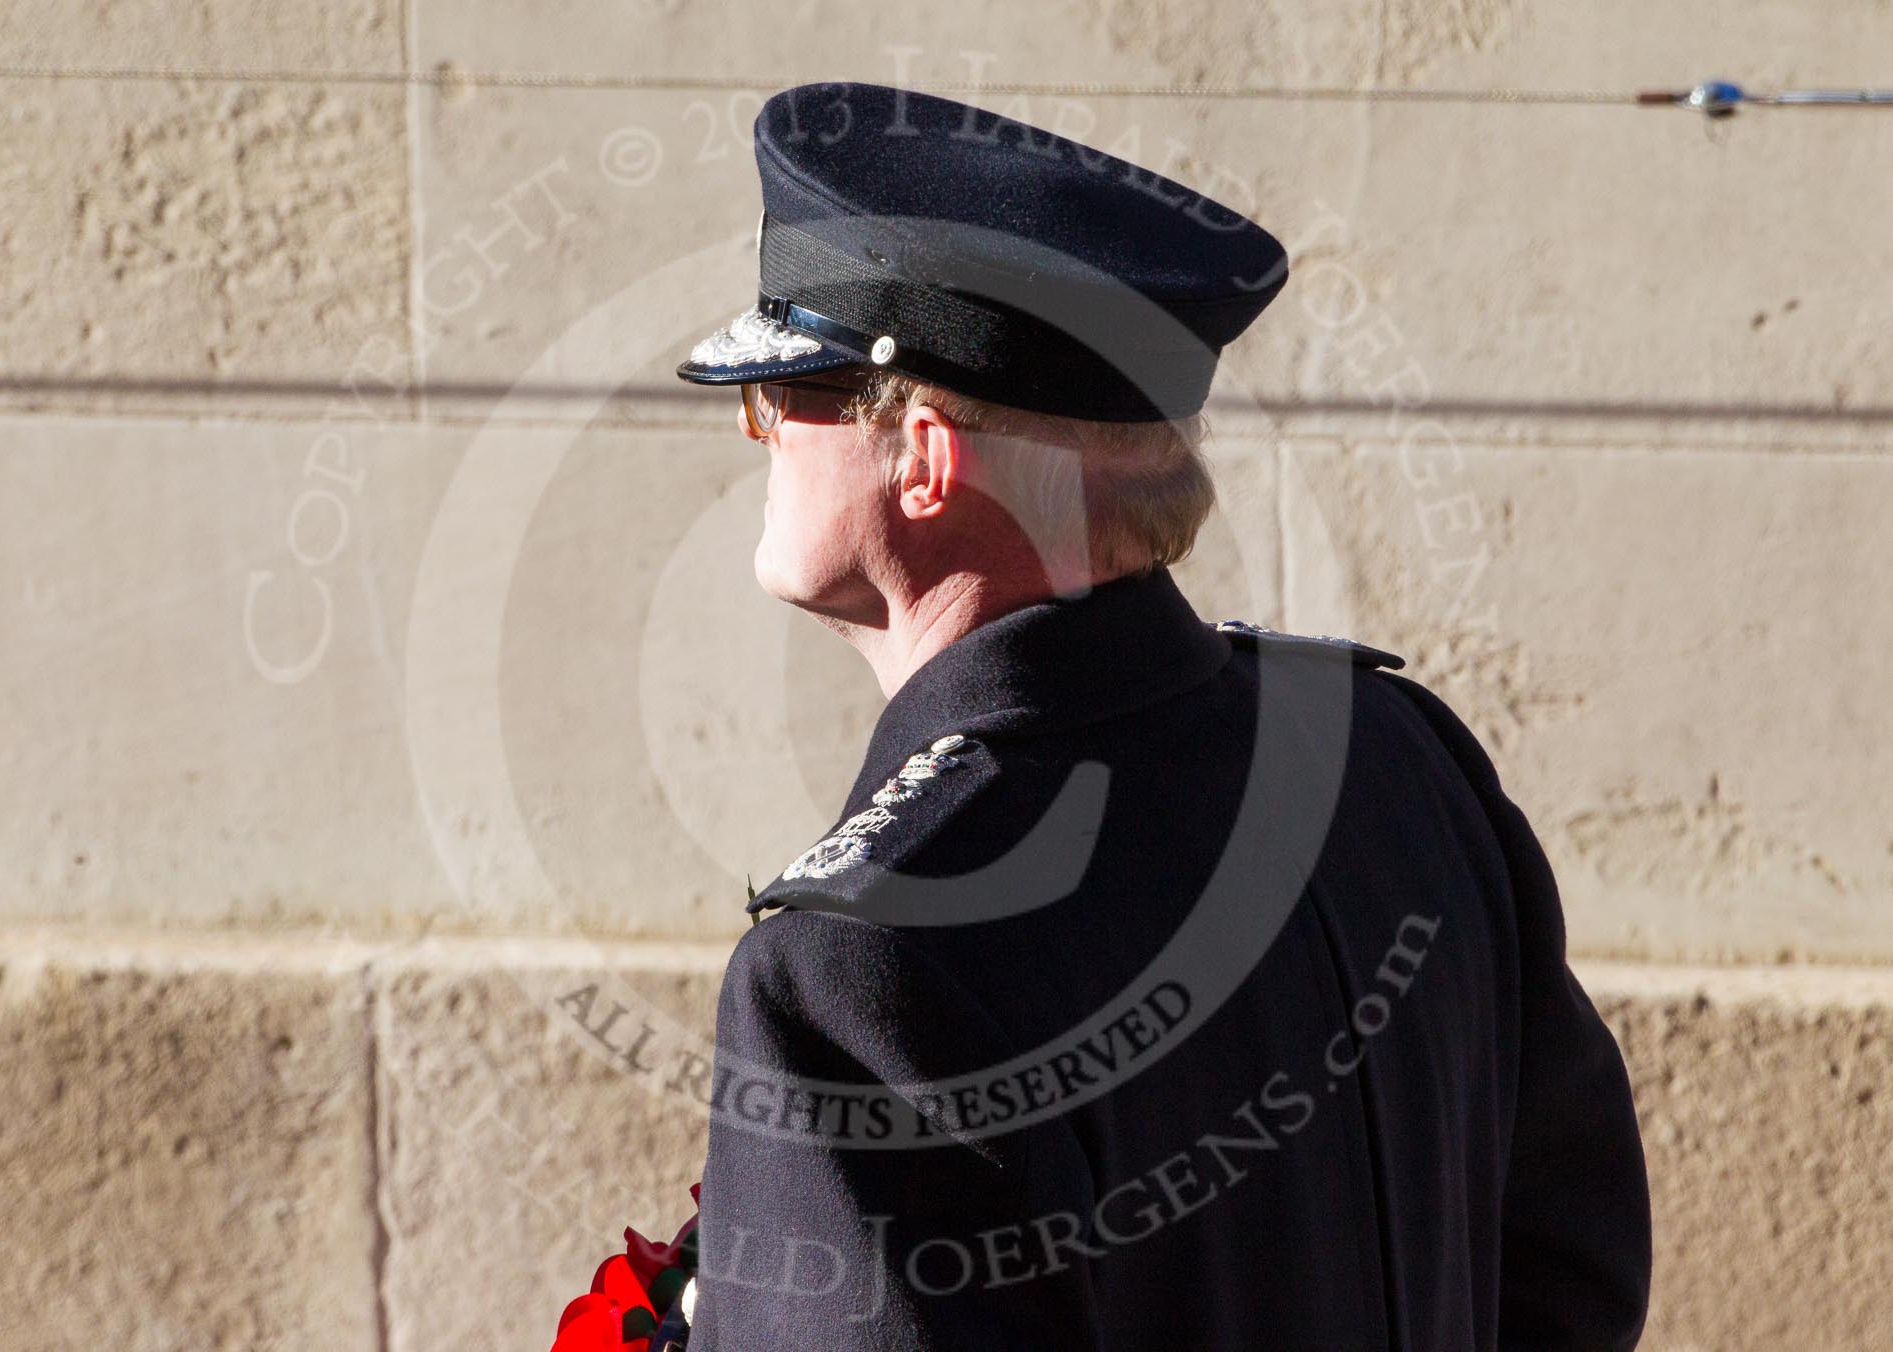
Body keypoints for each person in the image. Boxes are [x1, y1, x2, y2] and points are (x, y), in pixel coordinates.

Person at [665, 81, 1651, 1351]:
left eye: (787, 392)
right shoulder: (1393, 755)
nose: (758, 430)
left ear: (923, 454)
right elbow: (1571, 1274)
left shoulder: (862, 966)